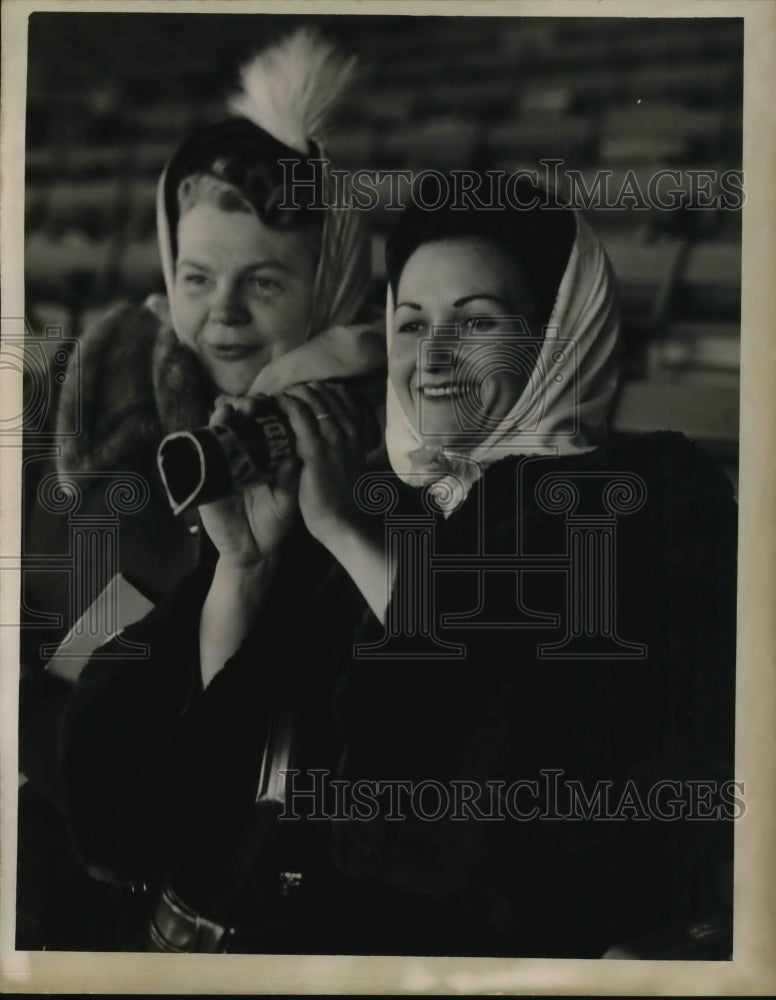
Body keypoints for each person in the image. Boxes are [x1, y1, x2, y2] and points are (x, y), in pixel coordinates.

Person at [60, 176, 737, 958]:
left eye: (477, 321)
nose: (435, 356)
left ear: (559, 334)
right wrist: (242, 570)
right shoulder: (374, 491)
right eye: (412, 324)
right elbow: (138, 812)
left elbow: (540, 802)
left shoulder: (650, 500)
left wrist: (351, 540)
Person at [18, 27, 383, 950]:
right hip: (75, 826)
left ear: (330, 280)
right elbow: (64, 658)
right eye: (196, 276)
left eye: (264, 281)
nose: (221, 312)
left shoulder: (362, 452)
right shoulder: (124, 430)